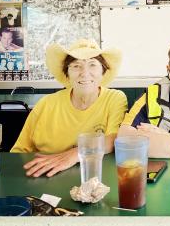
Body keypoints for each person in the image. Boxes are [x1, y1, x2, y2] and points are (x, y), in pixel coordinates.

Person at [11, 39, 128, 177]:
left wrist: (75, 153)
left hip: (94, 178)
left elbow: (113, 139)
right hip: (42, 177)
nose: (84, 73)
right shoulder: (45, 104)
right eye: (76, 66)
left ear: (103, 71)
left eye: (92, 64)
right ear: (67, 73)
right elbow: (18, 154)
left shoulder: (115, 99)